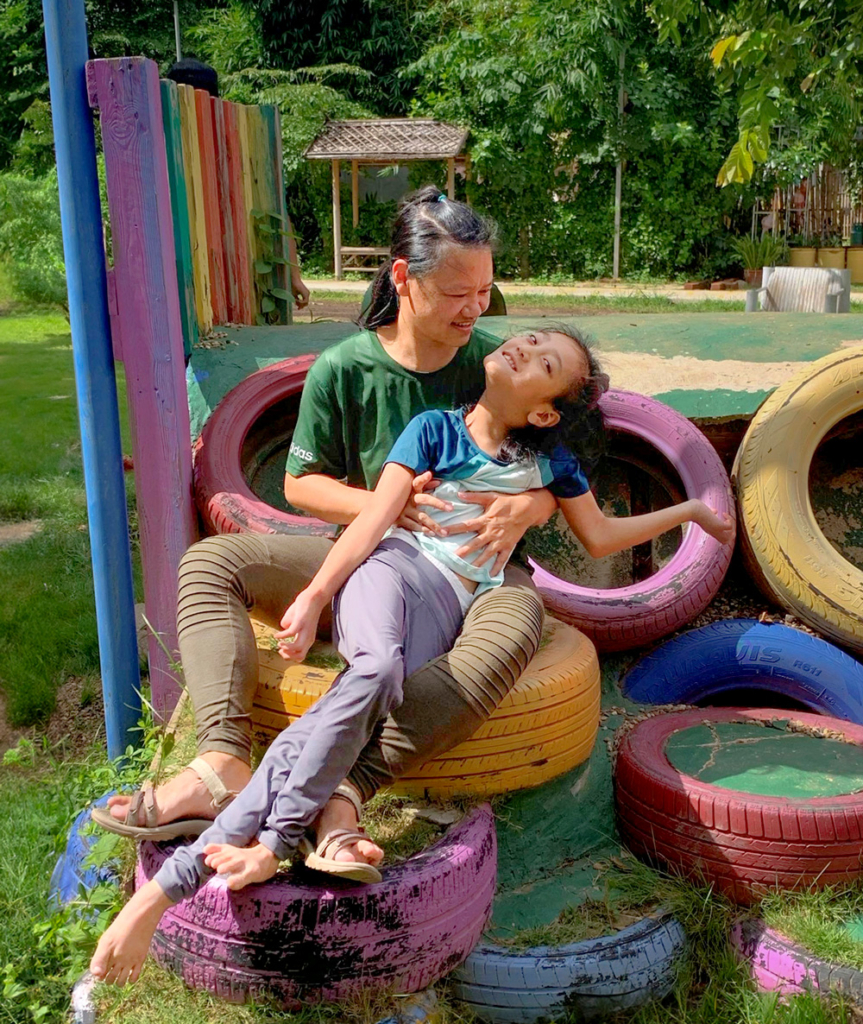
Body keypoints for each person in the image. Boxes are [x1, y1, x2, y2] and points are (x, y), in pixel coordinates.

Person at [89, 326, 734, 985]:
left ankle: (244, 843)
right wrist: (315, 594)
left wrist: (684, 510)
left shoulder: (548, 466)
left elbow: (600, 537)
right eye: (531, 337)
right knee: (372, 670)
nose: (522, 344)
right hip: (389, 569)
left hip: (451, 603)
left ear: (544, 412)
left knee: (367, 693)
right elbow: (373, 521)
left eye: (544, 360)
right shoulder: (432, 428)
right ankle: (220, 861)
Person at [92, 188, 555, 877]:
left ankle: (343, 791)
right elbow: (299, 486)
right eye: (458, 291)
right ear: (402, 277)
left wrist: (533, 506)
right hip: (371, 560)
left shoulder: (496, 365)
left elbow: (569, 462)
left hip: (479, 573)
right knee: (212, 563)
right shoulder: (345, 367)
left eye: (485, 291)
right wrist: (384, 504)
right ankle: (221, 759)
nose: (475, 309)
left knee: (517, 626)